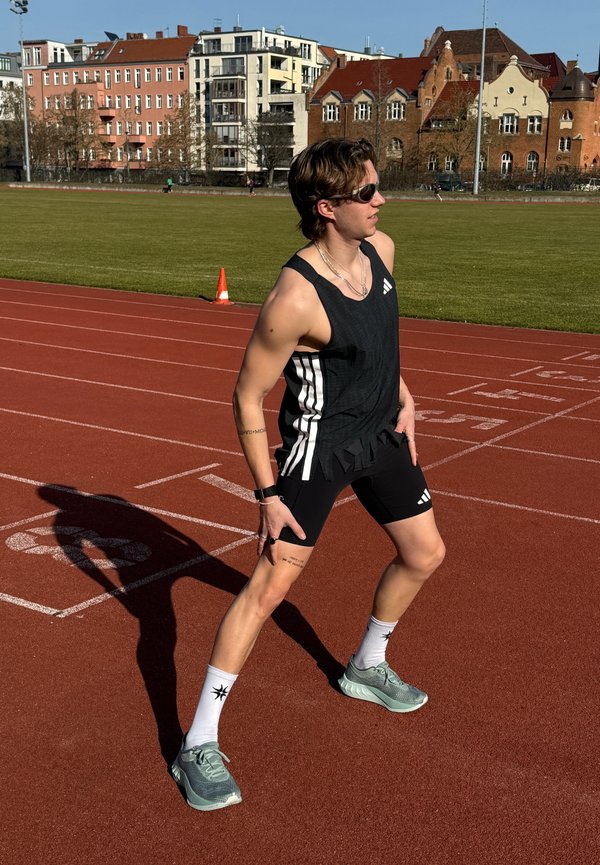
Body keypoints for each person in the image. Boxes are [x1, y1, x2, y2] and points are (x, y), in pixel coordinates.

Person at [171, 138, 446, 811]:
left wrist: (401, 388)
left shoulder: (383, 253)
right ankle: (197, 742)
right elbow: (245, 396)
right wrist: (266, 494)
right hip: (317, 449)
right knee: (269, 585)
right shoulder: (294, 299)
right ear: (326, 208)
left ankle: (366, 665)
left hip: (380, 432)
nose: (382, 200)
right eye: (367, 194)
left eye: (379, 186)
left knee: (425, 551)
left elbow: (380, 335)